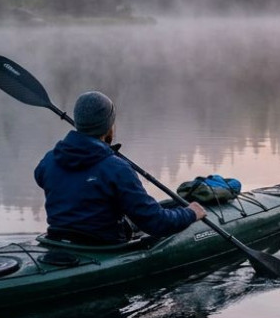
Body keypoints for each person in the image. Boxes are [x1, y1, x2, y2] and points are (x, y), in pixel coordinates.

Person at [35, 91, 204, 244]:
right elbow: (156, 224)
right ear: (109, 127)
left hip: (58, 239)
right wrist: (191, 213)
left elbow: (43, 177)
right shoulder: (117, 169)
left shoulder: (49, 160)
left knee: (162, 207)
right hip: (103, 246)